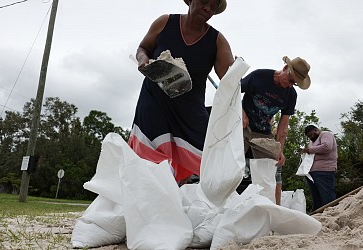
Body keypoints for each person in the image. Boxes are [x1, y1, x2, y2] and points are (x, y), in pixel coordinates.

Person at [128, 0, 234, 183]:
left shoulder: (217, 40)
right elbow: (143, 48)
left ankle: (179, 196)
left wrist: (236, 69)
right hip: (155, 100)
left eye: (213, 6)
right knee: (149, 160)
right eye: (204, 2)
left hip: (189, 109)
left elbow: (229, 79)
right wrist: (143, 60)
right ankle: (148, 199)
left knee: (206, 160)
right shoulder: (165, 22)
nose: (208, 8)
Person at [241, 56, 311, 205]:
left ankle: (275, 210)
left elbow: (283, 126)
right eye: (291, 80)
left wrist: (280, 150)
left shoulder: (291, 95)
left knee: (275, 167)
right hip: (243, 126)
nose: (291, 85)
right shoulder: (259, 76)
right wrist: (240, 111)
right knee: (232, 163)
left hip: (264, 131)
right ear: (285, 68)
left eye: (295, 84)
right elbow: (232, 91)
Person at [302, 125, 338, 211]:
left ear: (316, 130)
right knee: (316, 196)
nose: (310, 138)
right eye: (308, 136)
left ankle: (330, 213)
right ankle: (318, 215)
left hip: (324, 170)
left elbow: (326, 147)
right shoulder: (312, 142)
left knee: (327, 195)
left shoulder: (325, 134)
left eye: (311, 135)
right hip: (312, 172)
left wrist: (309, 150)